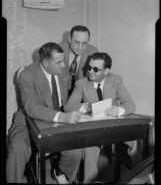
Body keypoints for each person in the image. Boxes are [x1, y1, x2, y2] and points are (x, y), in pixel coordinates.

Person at [6, 42, 84, 184]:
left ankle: (61, 173)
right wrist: (62, 116)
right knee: (18, 149)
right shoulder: (27, 75)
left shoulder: (62, 70)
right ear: (45, 62)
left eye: (64, 60)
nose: (64, 65)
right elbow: (32, 108)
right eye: (59, 62)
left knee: (76, 149)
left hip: (58, 120)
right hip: (27, 120)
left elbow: (69, 98)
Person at [64, 52, 136, 183]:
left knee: (136, 138)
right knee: (89, 148)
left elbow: (130, 104)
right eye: (89, 67)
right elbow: (68, 107)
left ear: (106, 71)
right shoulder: (81, 84)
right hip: (94, 130)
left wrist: (119, 110)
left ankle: (136, 175)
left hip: (113, 127)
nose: (90, 71)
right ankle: (90, 181)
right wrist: (86, 107)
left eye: (96, 69)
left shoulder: (115, 80)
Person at [60, 25, 99, 95]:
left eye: (84, 43)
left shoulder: (93, 52)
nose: (80, 47)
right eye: (76, 42)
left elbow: (95, 79)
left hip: (81, 92)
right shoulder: (58, 50)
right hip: (60, 91)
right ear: (69, 39)